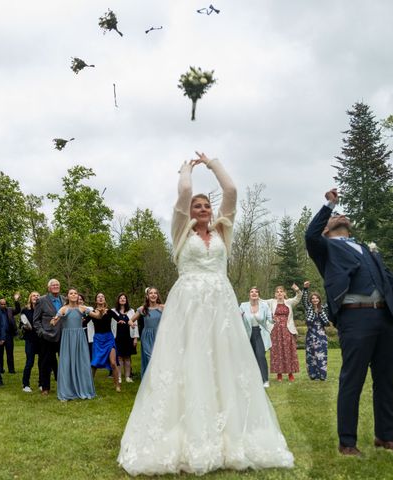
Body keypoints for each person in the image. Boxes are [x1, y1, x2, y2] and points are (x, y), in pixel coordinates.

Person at [118, 152, 293, 475]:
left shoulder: (223, 231)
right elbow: (184, 193)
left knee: (223, 364)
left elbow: (232, 192)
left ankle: (228, 437)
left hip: (221, 305)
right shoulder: (181, 232)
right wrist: (186, 171)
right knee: (189, 361)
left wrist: (213, 164)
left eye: (206, 205)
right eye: (197, 206)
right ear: (188, 211)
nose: (202, 208)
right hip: (189, 305)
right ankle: (185, 435)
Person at [305, 187, 393, 456]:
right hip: (355, 318)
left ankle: (386, 437)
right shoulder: (325, 248)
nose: (342, 215)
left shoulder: (369, 250)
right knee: (352, 380)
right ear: (326, 230)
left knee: (385, 380)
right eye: (336, 216)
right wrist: (329, 206)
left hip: (385, 319)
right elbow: (310, 235)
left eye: (343, 213)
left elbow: (392, 283)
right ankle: (347, 442)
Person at [50, 288, 96, 401]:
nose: (74, 295)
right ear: (68, 296)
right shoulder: (64, 309)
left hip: (80, 338)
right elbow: (53, 323)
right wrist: (54, 320)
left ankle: (83, 389)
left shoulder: (83, 308)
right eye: (71, 293)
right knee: (67, 362)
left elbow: (97, 316)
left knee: (82, 362)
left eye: (75, 293)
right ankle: (67, 390)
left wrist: (101, 311)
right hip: (68, 339)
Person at [33, 279, 66, 396]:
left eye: (57, 284)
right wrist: (41, 332)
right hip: (47, 337)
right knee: (46, 363)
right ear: (49, 288)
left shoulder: (64, 300)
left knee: (64, 362)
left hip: (63, 336)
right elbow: (36, 320)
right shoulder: (41, 300)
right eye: (53, 285)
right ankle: (45, 387)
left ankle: (64, 386)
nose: (56, 286)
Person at [266, 284, 302, 382]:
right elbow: (259, 302)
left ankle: (290, 374)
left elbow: (298, 297)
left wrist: (297, 290)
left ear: (284, 293)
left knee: (289, 350)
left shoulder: (289, 302)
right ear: (275, 294)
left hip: (287, 330)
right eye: (277, 292)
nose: (279, 293)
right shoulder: (271, 302)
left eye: (281, 291)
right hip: (275, 331)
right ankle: (279, 374)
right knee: (277, 352)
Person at [239, 286, 273, 388]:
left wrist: (274, 320)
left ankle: (265, 380)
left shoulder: (264, 306)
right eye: (252, 292)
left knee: (260, 356)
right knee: (249, 357)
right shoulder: (243, 306)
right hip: (248, 334)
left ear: (258, 295)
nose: (254, 293)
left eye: (256, 292)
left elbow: (270, 319)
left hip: (260, 333)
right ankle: (250, 380)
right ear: (249, 294)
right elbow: (238, 318)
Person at [87, 292, 121, 392]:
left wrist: (127, 322)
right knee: (94, 364)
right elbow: (84, 322)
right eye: (98, 297)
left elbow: (119, 319)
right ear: (96, 300)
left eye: (102, 297)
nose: (101, 298)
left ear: (104, 300)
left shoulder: (109, 312)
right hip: (98, 339)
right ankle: (89, 386)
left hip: (109, 339)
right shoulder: (92, 312)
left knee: (113, 363)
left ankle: (117, 385)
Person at [128, 288, 164, 378]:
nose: (153, 295)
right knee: (150, 357)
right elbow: (130, 320)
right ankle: (148, 378)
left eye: (155, 293)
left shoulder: (162, 307)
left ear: (157, 295)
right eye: (151, 293)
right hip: (147, 336)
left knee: (158, 358)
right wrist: (132, 324)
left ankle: (158, 378)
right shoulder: (143, 309)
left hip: (159, 336)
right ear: (147, 296)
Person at [301, 281, 331, 381]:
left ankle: (322, 375)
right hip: (311, 334)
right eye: (313, 298)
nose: (315, 300)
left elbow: (331, 301)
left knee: (322, 354)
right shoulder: (308, 308)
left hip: (321, 334)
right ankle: (313, 375)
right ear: (311, 300)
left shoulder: (323, 308)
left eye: (316, 298)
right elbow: (304, 300)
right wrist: (305, 289)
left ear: (319, 299)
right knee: (311, 355)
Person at [112, 293, 137, 383]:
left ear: (126, 300)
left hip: (128, 337)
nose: (122, 299)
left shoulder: (131, 311)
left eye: (124, 298)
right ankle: (119, 377)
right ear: (118, 300)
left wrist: (135, 338)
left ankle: (128, 377)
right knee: (119, 358)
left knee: (127, 357)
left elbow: (135, 325)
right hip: (117, 337)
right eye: (121, 298)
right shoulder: (113, 311)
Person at [20, 291, 40, 393]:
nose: (35, 297)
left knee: (42, 363)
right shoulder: (25, 310)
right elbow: (21, 325)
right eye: (33, 295)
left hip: (41, 339)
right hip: (30, 339)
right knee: (29, 362)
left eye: (37, 295)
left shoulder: (42, 309)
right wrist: (25, 326)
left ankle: (42, 383)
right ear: (30, 298)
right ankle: (26, 384)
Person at [0, 294, 21, 374]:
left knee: (10, 353)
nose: (3, 305)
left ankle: (11, 370)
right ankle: (0, 369)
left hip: (9, 335)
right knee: (0, 354)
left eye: (4, 304)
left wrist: (16, 301)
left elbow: (18, 310)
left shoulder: (10, 310)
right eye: (1, 304)